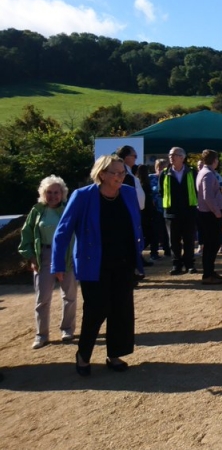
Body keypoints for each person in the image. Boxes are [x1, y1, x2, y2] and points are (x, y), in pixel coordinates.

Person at [51, 155, 143, 376]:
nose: (120, 177)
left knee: (121, 310)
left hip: (124, 262)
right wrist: (57, 264)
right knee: (96, 310)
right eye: (116, 173)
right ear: (102, 174)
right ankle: (83, 355)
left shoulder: (128, 193)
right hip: (94, 263)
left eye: (123, 173)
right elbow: (63, 231)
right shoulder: (82, 197)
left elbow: (135, 224)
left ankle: (115, 354)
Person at [18, 175, 77, 350]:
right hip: (43, 256)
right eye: (49, 192)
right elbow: (26, 234)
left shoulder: (69, 209)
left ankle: (67, 329)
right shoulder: (37, 211)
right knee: (42, 298)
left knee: (70, 296)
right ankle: (41, 334)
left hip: (66, 256)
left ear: (62, 193)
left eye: (56, 192)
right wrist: (30, 256)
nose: (53, 196)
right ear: (43, 194)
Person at [160, 147, 199, 276]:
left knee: (189, 239)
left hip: (189, 212)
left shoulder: (192, 172)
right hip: (171, 213)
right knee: (174, 241)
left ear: (182, 157)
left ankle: (189, 264)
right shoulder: (164, 173)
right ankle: (176, 264)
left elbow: (197, 190)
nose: (171, 157)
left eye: (174, 155)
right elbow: (161, 192)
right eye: (170, 154)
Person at [196, 149, 222, 285]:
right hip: (209, 215)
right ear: (214, 160)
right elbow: (207, 196)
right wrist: (217, 212)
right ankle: (208, 274)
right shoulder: (208, 174)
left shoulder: (204, 173)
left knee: (211, 245)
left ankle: (210, 272)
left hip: (208, 214)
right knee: (211, 245)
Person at [149, 158, 171, 259]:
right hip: (155, 210)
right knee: (155, 232)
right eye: (159, 167)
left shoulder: (170, 177)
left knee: (167, 232)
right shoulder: (150, 178)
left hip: (167, 208)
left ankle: (168, 250)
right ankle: (154, 253)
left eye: (163, 167)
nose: (161, 169)